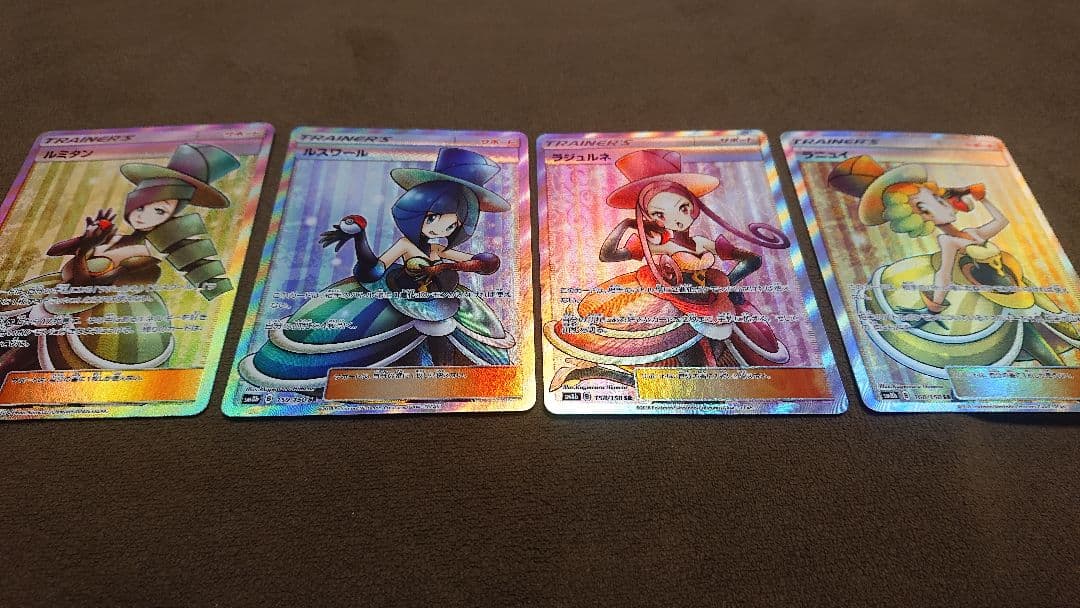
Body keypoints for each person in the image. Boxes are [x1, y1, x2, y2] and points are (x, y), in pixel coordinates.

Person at [238, 147, 515, 393]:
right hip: (397, 297)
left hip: (440, 302)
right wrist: (360, 240)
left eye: (451, 225)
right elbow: (375, 268)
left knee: (450, 337)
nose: (439, 229)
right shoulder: (406, 245)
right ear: (416, 213)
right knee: (365, 342)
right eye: (432, 218)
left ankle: (445, 383)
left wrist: (468, 264)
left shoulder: (440, 250)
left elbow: (482, 262)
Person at [545, 149, 792, 390]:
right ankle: (590, 372)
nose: (676, 219)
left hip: (708, 305)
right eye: (659, 214)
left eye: (682, 208)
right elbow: (608, 255)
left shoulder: (703, 243)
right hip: (670, 308)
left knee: (704, 372)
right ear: (649, 217)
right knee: (690, 376)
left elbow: (752, 261)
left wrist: (723, 285)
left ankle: (590, 372)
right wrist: (626, 225)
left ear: (693, 206)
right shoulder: (660, 245)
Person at [828, 155, 1080, 378]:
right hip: (981, 296)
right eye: (930, 205)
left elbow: (1001, 221)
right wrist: (936, 303)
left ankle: (1064, 370)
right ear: (920, 215)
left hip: (1011, 283)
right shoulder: (949, 242)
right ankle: (1060, 375)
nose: (943, 205)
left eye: (938, 199)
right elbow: (944, 274)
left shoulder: (972, 232)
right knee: (1023, 332)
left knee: (1044, 323)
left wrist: (984, 199)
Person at [0, 143, 240, 374]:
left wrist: (85, 249)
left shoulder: (144, 258)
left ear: (172, 215)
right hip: (61, 297)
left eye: (159, 210)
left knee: (23, 355)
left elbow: (88, 286)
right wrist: (85, 239)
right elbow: (55, 251)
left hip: (96, 317)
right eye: (140, 206)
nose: (143, 216)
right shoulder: (115, 237)